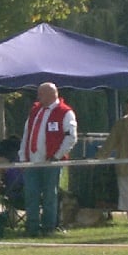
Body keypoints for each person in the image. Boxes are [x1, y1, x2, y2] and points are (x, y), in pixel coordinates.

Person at [18, 82, 77, 237]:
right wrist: (23, 156)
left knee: (50, 195)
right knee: (31, 195)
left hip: (51, 162)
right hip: (32, 161)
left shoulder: (65, 112)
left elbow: (71, 138)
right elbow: (27, 134)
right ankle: (32, 228)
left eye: (41, 94)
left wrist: (56, 156)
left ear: (52, 94)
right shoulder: (35, 110)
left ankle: (49, 227)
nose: (38, 97)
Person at [97, 98, 128, 227]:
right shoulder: (121, 124)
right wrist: (100, 156)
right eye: (126, 108)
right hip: (126, 164)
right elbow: (110, 142)